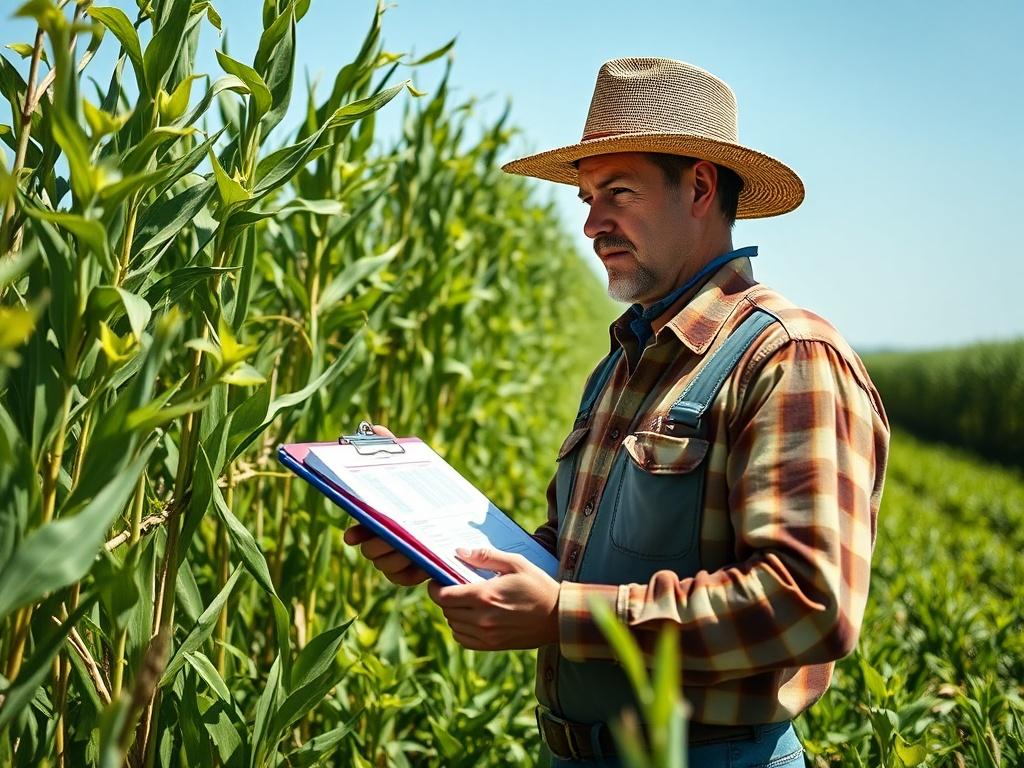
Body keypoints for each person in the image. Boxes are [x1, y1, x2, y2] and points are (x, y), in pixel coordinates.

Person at [343, 57, 889, 767]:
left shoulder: (789, 358)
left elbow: (807, 603)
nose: (592, 224)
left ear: (699, 186)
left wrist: (564, 615)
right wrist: (436, 547)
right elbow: (574, 557)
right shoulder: (625, 360)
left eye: (618, 193)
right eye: (587, 197)